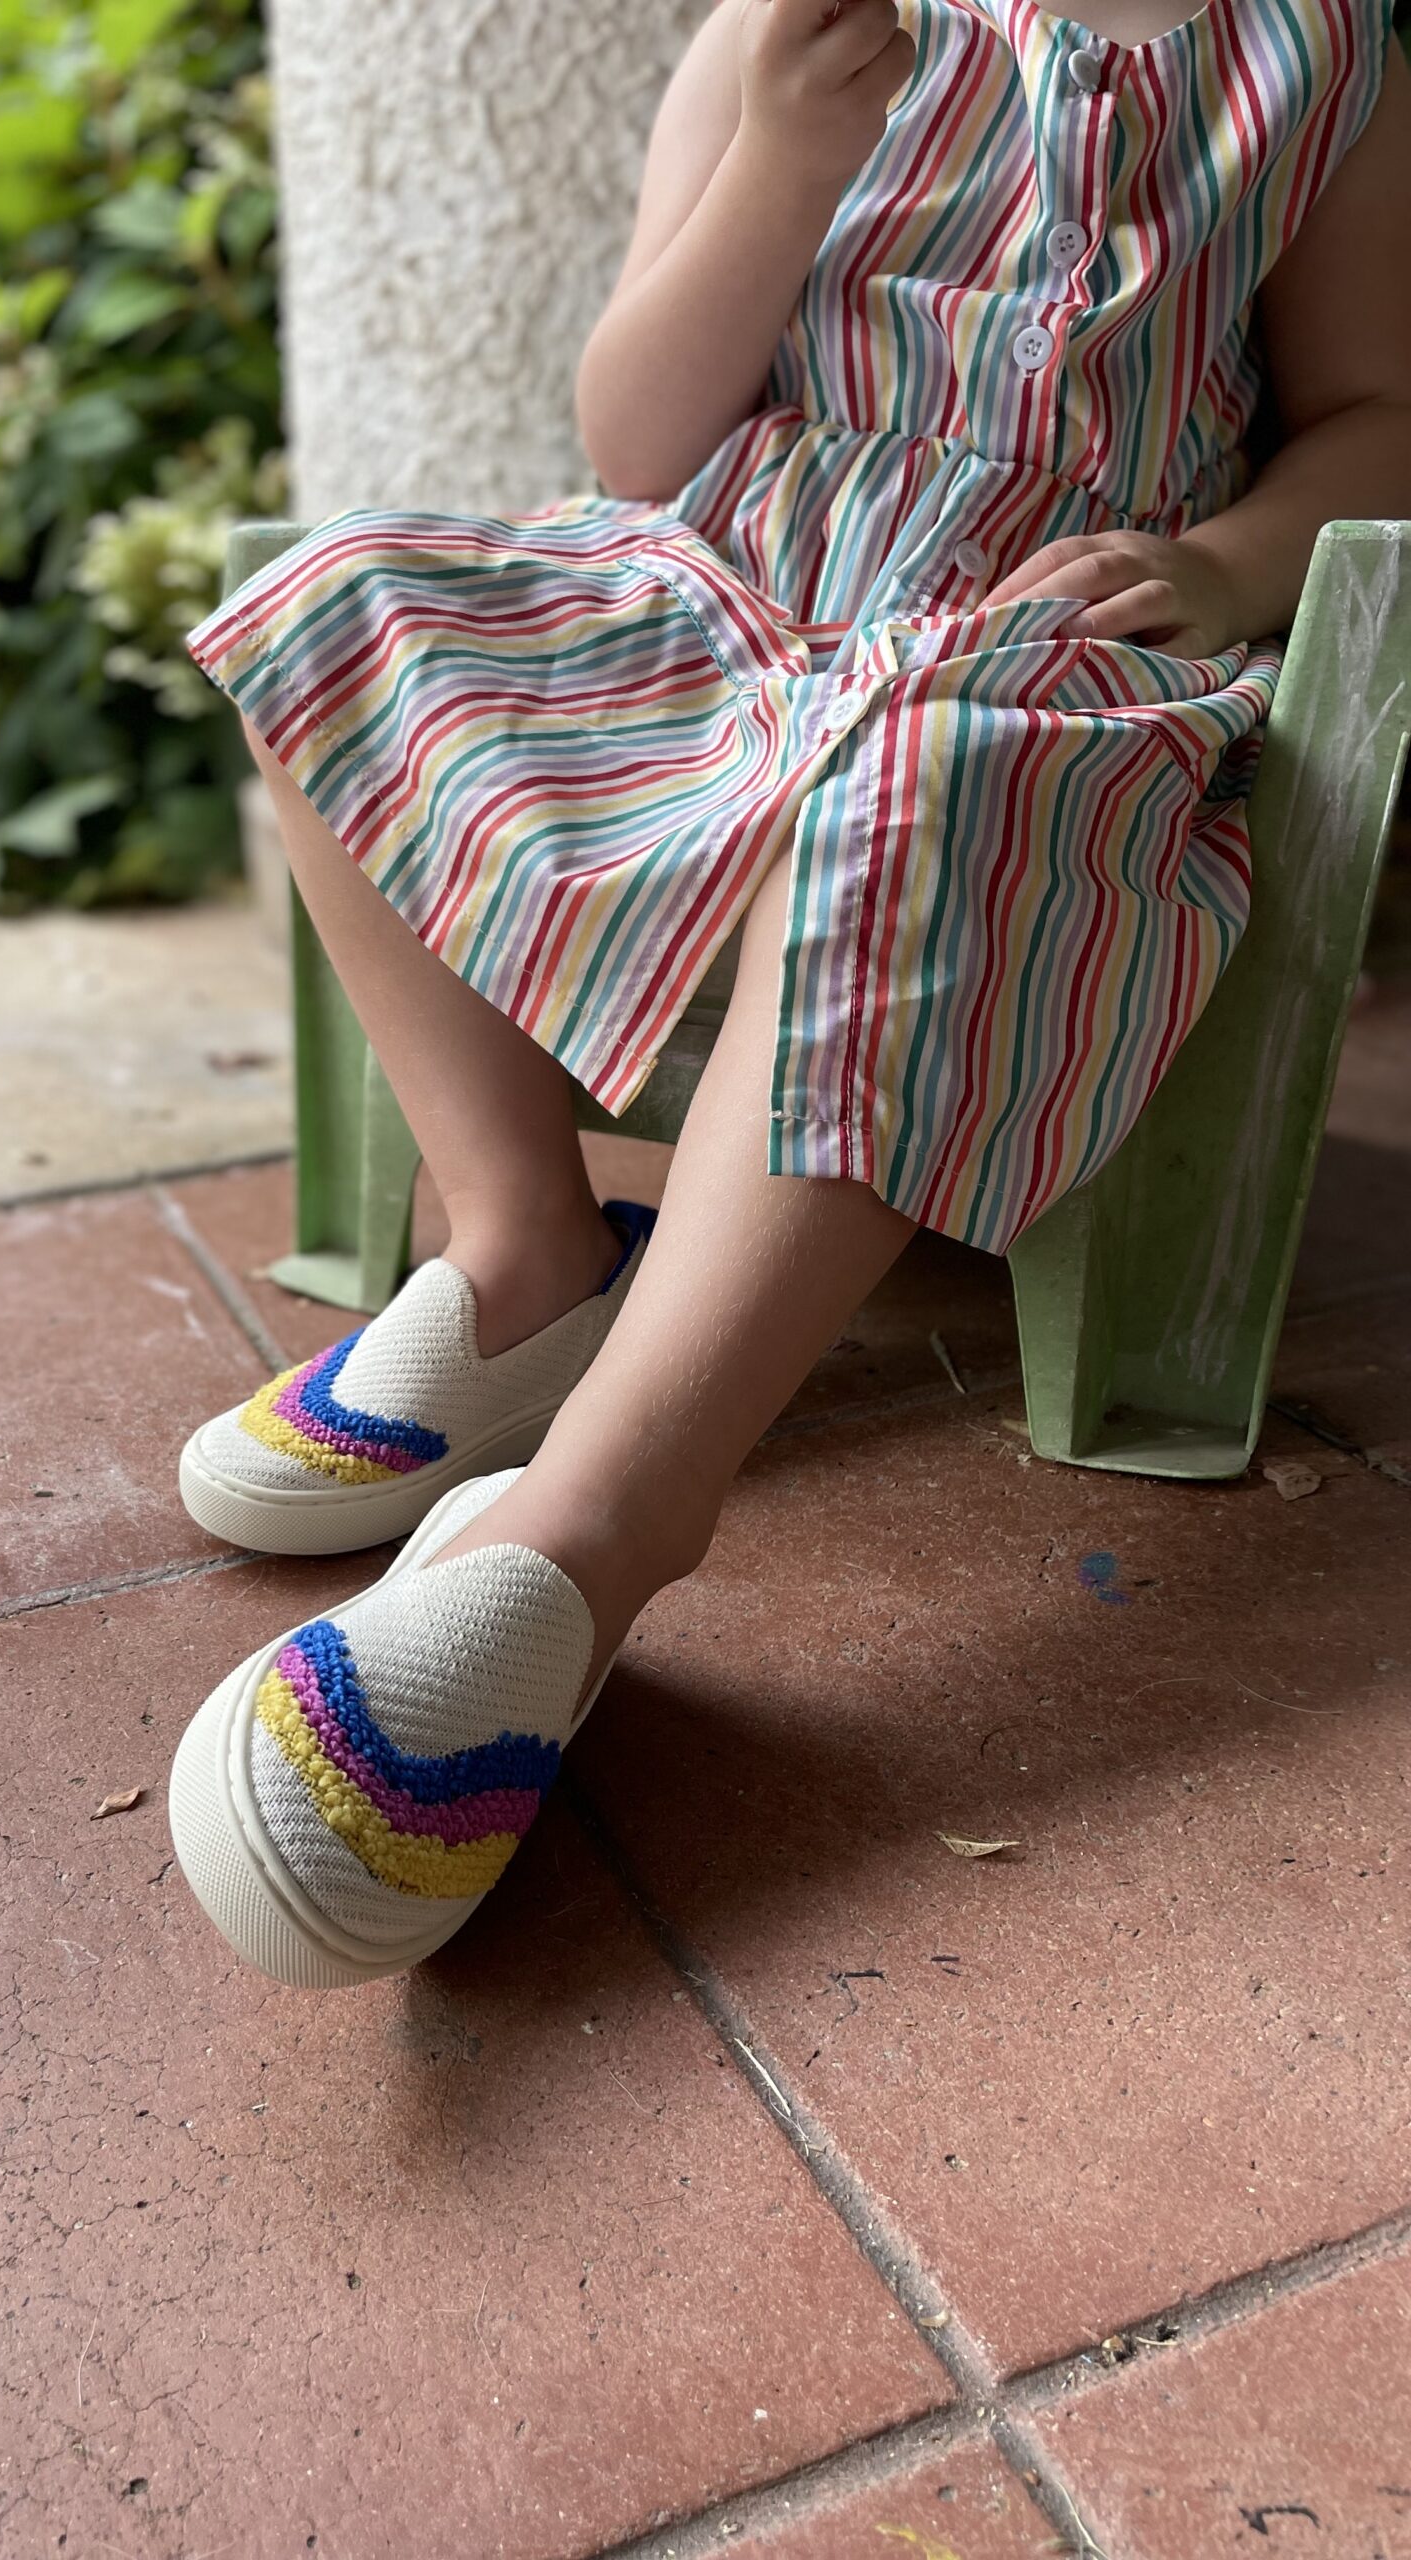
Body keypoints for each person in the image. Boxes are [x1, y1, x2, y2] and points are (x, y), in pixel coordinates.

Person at [163, 0, 1411, 1986]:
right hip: (735, 591)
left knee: (943, 787)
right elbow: (635, 439)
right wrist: (781, 154)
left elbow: (1375, 404)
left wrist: (1232, 556)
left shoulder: (1311, 57)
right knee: (351, 605)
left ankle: (590, 1529)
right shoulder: (797, 27)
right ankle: (525, 1245)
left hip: (1035, 651)